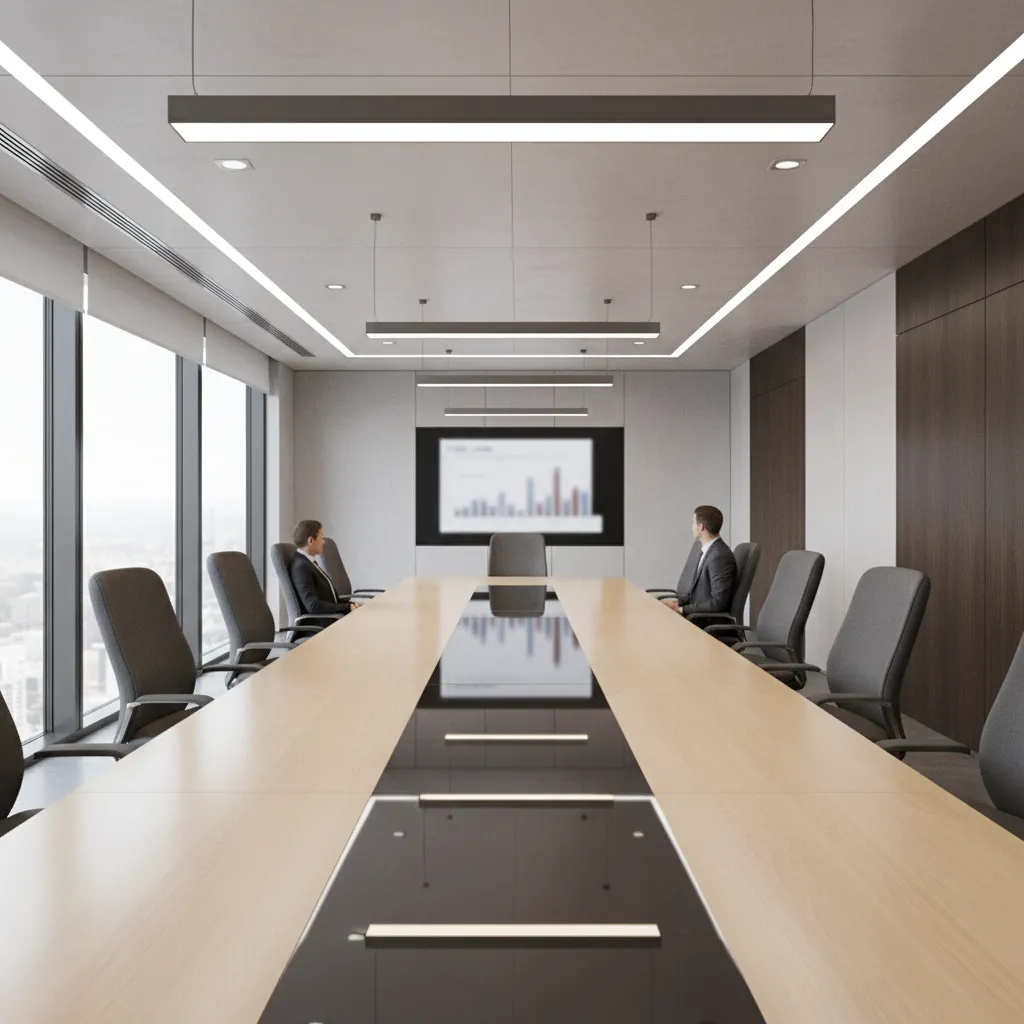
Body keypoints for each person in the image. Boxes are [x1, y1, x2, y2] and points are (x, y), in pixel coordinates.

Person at [665, 505, 737, 617]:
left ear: (701, 527)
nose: (692, 527)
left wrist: (681, 610)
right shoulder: (704, 549)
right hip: (696, 614)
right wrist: (677, 604)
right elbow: (698, 592)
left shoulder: (719, 556)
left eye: (693, 523)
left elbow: (718, 603)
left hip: (705, 622)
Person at [288, 519, 356, 618]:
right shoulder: (301, 567)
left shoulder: (309, 562)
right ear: (310, 540)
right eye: (321, 537)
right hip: (325, 622)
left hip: (333, 616)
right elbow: (313, 606)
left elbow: (329, 598)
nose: (323, 542)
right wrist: (346, 607)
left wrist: (352, 605)